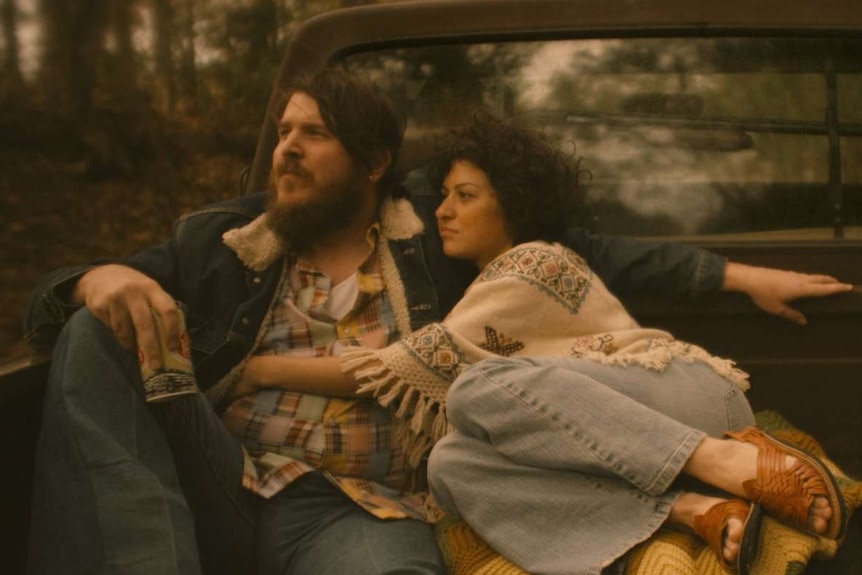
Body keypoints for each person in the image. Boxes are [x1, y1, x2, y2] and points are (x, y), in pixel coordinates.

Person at [23, 68, 851, 575]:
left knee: (452, 457)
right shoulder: (219, 239)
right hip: (224, 473)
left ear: (373, 162)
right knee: (93, 325)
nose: (287, 149)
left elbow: (582, 249)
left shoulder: (438, 234)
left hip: (366, 507)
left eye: (314, 134)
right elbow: (55, 299)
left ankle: (704, 485)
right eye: (282, 133)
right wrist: (96, 275)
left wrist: (736, 274)